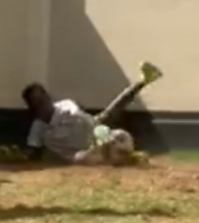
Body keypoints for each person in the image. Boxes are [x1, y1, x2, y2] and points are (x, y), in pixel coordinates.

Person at [21, 61, 163, 166]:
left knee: (115, 126)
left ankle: (143, 81)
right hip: (86, 154)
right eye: (37, 104)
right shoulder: (38, 129)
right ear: (33, 108)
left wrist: (100, 137)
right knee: (81, 158)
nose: (42, 106)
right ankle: (126, 156)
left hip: (100, 135)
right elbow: (33, 152)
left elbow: (85, 121)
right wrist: (18, 155)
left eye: (42, 100)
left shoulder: (65, 107)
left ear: (48, 98)